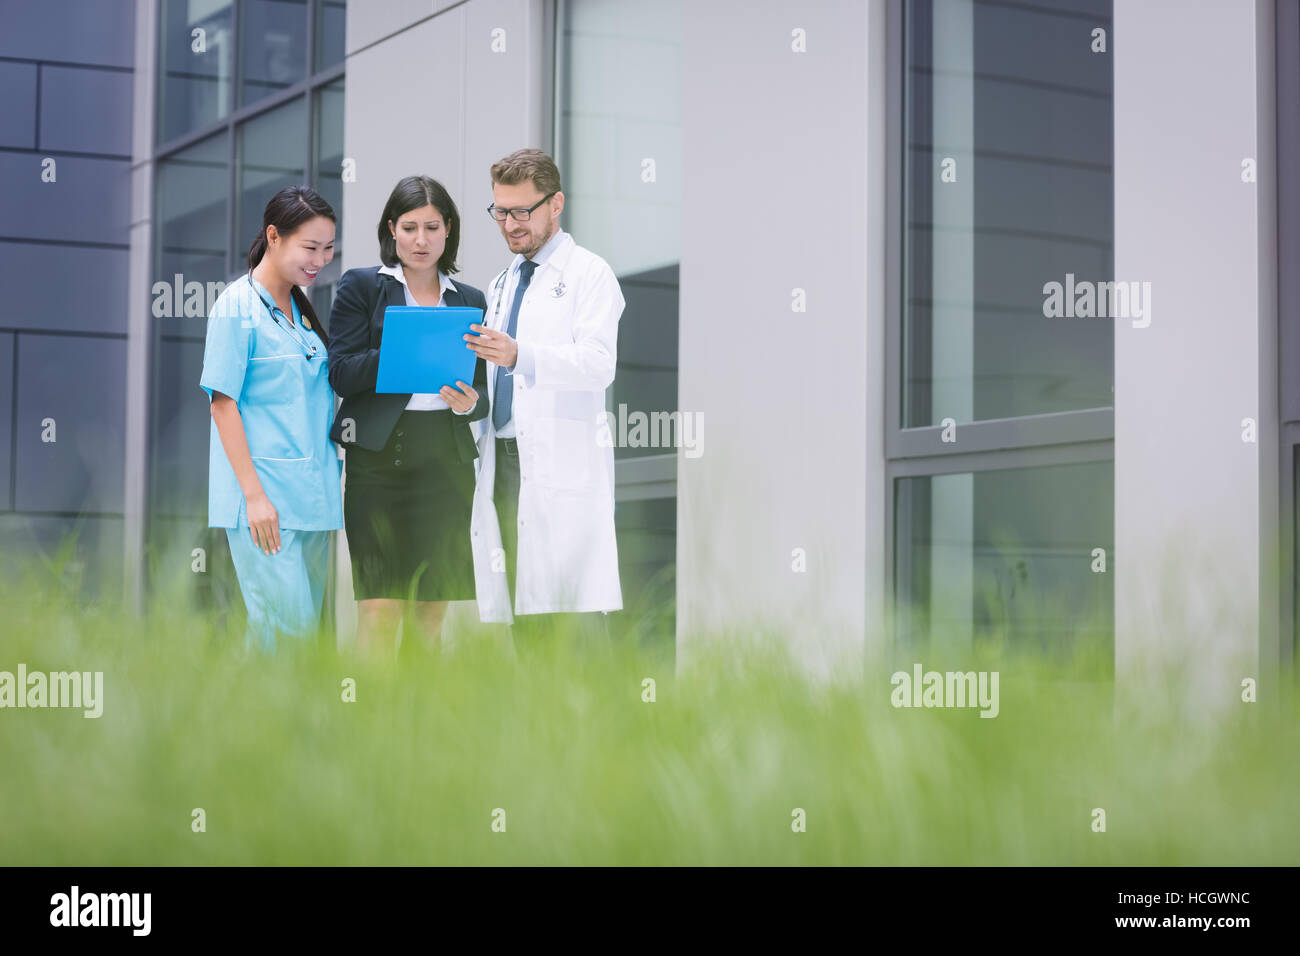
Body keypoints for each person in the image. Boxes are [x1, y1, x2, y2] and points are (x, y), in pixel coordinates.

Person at [464, 148, 625, 653]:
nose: (510, 225)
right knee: (526, 626)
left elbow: (598, 364)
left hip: (560, 469)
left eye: (521, 211)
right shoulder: (502, 281)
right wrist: (471, 402)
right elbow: (501, 382)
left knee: (573, 630)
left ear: (556, 204)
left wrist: (520, 355)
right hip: (506, 466)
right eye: (500, 212)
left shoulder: (590, 274)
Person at [327, 176, 488, 656]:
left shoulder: (471, 299)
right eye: (411, 227)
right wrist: (401, 352)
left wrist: (471, 401)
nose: (421, 240)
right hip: (379, 464)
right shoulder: (361, 287)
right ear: (392, 230)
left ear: (448, 231)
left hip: (446, 462)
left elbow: (481, 385)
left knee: (430, 615)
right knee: (379, 611)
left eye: (432, 227)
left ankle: (416, 728)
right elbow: (340, 372)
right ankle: (368, 726)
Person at [200, 185, 342, 653]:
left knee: (298, 642)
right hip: (265, 505)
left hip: (312, 500)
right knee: (286, 638)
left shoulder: (301, 312)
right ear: (274, 236)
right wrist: (255, 497)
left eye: (327, 249)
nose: (319, 260)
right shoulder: (236, 308)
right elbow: (223, 404)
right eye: (310, 248)